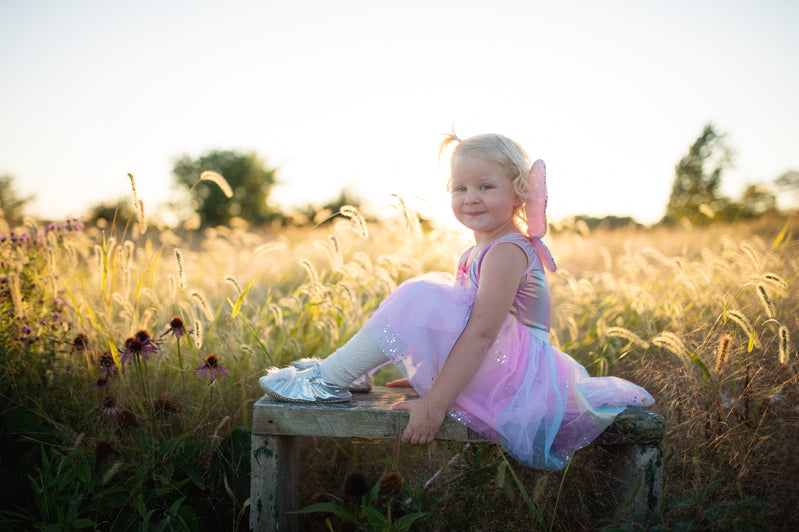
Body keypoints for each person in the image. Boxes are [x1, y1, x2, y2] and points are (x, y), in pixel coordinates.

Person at [259, 131, 654, 470]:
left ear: (519, 191)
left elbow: (482, 334)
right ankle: (346, 370)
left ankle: (330, 379)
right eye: (459, 187)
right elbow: (461, 323)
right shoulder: (477, 250)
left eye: (485, 186)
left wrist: (434, 404)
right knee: (426, 290)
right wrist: (425, 368)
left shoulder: (507, 251)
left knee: (421, 294)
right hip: (500, 365)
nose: (470, 197)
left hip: (516, 376)